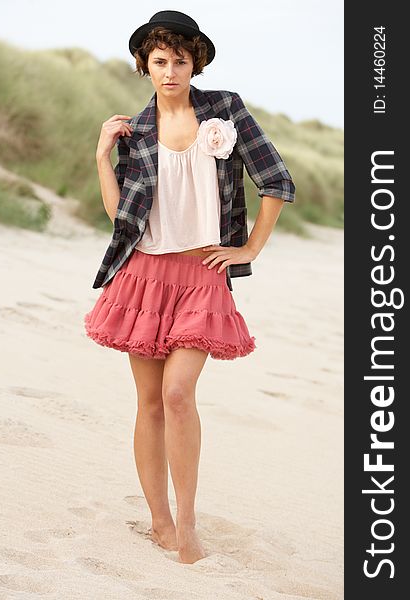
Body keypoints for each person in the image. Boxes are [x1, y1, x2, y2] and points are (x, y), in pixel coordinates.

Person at [84, 10, 296, 564]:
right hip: (144, 275)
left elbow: (276, 179)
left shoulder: (224, 110)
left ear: (195, 61)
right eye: (160, 61)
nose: (171, 70)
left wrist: (250, 248)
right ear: (144, 66)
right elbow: (120, 216)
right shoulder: (137, 129)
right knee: (150, 402)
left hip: (203, 277)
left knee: (179, 394)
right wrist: (102, 156)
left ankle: (189, 522)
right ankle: (159, 521)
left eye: (180, 60)